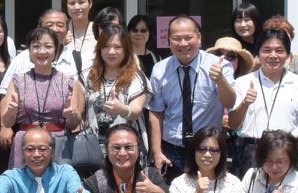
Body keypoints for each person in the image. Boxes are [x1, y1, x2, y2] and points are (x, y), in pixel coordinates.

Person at [147, 15, 237, 174]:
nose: (183, 44)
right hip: (171, 150)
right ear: (168, 40)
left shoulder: (219, 66)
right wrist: (157, 151)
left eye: (188, 38)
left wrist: (220, 80)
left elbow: (229, 102)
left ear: (199, 38)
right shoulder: (160, 70)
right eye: (177, 38)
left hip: (207, 150)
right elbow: (156, 112)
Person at [0, 26, 85, 167]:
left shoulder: (68, 81)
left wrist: (72, 115)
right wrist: (11, 112)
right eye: (36, 46)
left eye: (48, 46)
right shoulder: (17, 81)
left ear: (56, 50)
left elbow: (74, 124)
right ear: (29, 50)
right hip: (26, 143)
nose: (42, 51)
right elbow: (7, 123)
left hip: (57, 143)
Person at [229, 27, 298, 144]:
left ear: (288, 55)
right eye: (267, 50)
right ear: (258, 54)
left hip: (288, 148)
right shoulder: (243, 82)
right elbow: (233, 124)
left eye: (279, 51)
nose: (273, 55)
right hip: (252, 148)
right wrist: (245, 103)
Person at [85, 26, 148, 145]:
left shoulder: (136, 77)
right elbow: (78, 111)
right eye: (106, 46)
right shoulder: (87, 76)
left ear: (126, 49)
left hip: (126, 147)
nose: (111, 52)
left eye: (117, 47)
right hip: (92, 148)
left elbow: (136, 110)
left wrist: (121, 109)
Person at [61, 0, 98, 85]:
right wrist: (60, 44)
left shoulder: (99, 30)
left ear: (90, 3)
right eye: (72, 3)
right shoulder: (60, 30)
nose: (76, 7)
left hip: (94, 85)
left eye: (81, 2)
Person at [126, 13, 159, 77]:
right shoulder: (123, 56)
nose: (139, 33)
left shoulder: (156, 58)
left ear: (149, 33)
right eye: (135, 30)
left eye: (143, 30)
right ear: (129, 33)